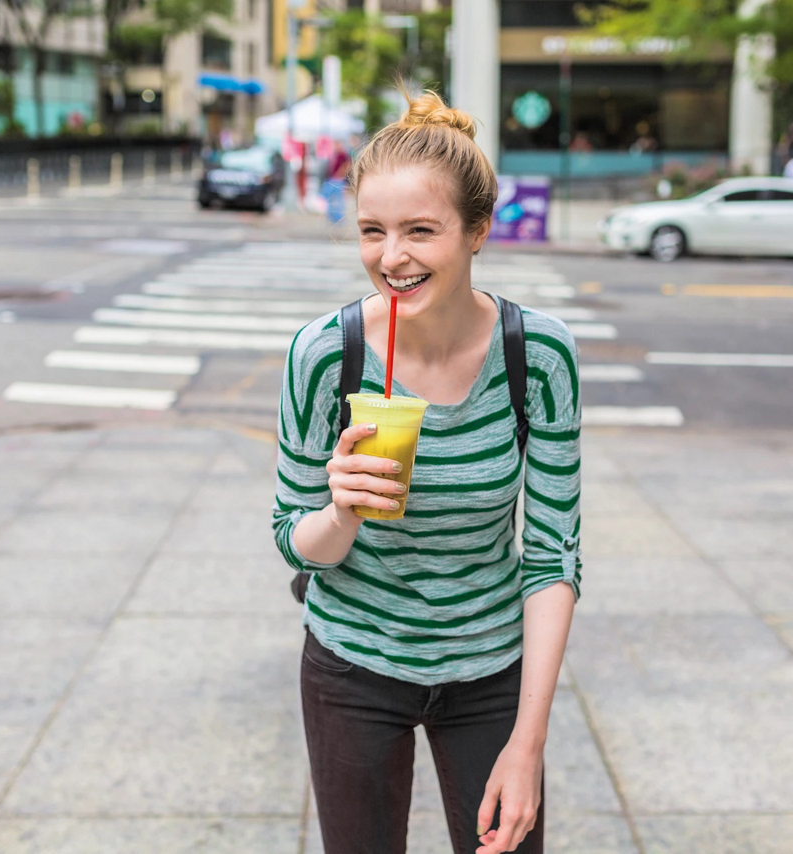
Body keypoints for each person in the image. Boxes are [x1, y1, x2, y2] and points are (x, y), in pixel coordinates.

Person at [272, 90, 582, 854]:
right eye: (372, 231)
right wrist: (339, 513)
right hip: (353, 661)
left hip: (490, 666)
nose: (391, 257)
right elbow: (290, 537)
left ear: (477, 231)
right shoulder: (324, 353)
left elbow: (551, 556)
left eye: (420, 231)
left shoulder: (536, 356)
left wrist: (528, 743)